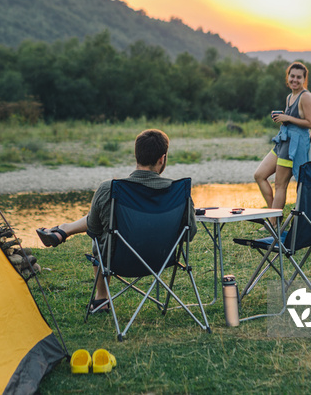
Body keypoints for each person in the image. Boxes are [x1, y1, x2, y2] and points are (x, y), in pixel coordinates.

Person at [36, 129, 197, 312]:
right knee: (105, 221)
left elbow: (94, 229)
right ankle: (64, 230)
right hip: (162, 260)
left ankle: (101, 298)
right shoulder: (179, 193)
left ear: (136, 155)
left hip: (118, 261)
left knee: (101, 232)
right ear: (162, 158)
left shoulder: (109, 189)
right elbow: (189, 234)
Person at [254, 61, 311, 213]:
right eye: (292, 76)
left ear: (304, 79)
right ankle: (273, 215)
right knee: (259, 175)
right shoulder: (290, 97)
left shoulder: (306, 97)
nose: (295, 80)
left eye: (299, 77)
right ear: (287, 77)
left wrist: (287, 118)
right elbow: (292, 120)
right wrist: (282, 117)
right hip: (282, 141)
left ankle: (274, 223)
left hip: (293, 145)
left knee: (280, 185)